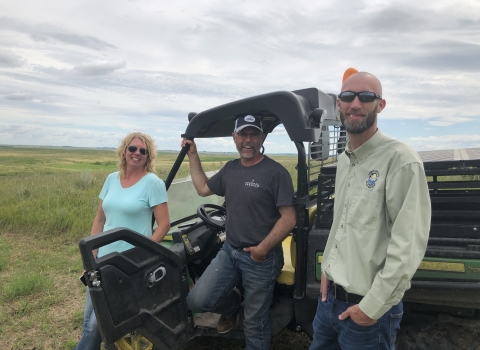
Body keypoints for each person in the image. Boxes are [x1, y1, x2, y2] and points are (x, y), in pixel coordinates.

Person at [309, 71, 431, 350]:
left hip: (367, 312)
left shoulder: (400, 160)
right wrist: (328, 269)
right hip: (329, 304)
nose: (356, 104)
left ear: (381, 105)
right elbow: (342, 223)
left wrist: (371, 307)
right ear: (338, 104)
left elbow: (408, 245)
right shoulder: (343, 160)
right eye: (348, 96)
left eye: (366, 97)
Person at [181, 115, 296, 350]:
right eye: (243, 134)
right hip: (230, 250)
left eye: (254, 134)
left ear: (262, 137)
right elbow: (203, 188)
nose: (248, 140)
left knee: (254, 321)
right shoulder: (230, 169)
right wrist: (193, 154)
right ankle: (232, 308)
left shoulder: (276, 173)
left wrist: (262, 249)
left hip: (262, 258)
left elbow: (289, 218)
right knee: (197, 300)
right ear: (234, 137)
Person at [76, 132, 170, 350]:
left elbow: (164, 224)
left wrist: (142, 256)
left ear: (148, 156)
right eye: (132, 148)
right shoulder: (111, 179)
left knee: (95, 327)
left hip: (126, 264)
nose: (137, 153)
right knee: (90, 322)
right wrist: (91, 256)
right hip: (101, 260)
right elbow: (100, 219)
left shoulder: (153, 183)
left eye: (142, 151)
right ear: (124, 151)